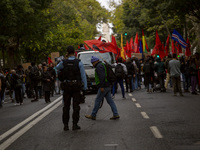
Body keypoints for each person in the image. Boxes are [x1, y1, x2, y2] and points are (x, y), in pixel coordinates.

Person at [56, 46, 87, 131]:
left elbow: (57, 67)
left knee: (66, 106)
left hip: (66, 87)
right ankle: (74, 124)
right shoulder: (78, 62)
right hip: (76, 87)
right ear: (74, 52)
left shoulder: (64, 62)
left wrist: (65, 59)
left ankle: (66, 125)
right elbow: (83, 75)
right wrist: (85, 87)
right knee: (76, 106)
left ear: (67, 52)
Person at [85, 56, 120, 120]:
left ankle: (93, 115)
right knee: (110, 101)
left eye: (92, 63)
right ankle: (116, 114)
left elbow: (102, 77)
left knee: (97, 100)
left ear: (95, 61)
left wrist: (101, 86)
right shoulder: (102, 65)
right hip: (108, 85)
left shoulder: (99, 67)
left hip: (104, 86)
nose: (92, 64)